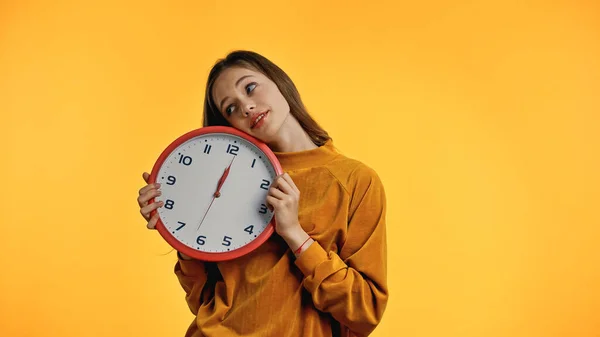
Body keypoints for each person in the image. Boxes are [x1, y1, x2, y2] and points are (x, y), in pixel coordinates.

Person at [137, 50, 388, 337]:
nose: (245, 107)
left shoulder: (354, 180)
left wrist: (295, 234)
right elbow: (203, 302)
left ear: (280, 82)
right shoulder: (226, 183)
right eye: (230, 108)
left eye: (250, 87)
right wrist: (177, 229)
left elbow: (364, 311)